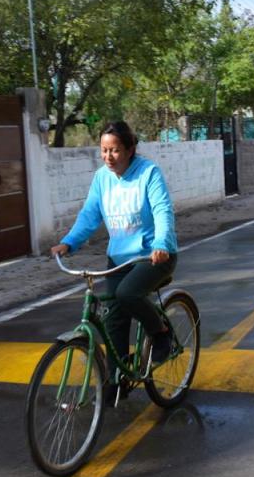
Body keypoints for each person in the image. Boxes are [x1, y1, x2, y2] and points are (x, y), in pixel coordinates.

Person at [50, 121, 179, 368]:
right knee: (113, 320)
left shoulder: (148, 172)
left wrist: (161, 243)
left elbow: (163, 210)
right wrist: (69, 242)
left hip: (153, 256)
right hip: (119, 258)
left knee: (127, 294)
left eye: (115, 150)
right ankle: (114, 385)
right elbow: (90, 214)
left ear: (130, 150)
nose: (108, 157)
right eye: (104, 150)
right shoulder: (101, 178)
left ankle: (161, 333)